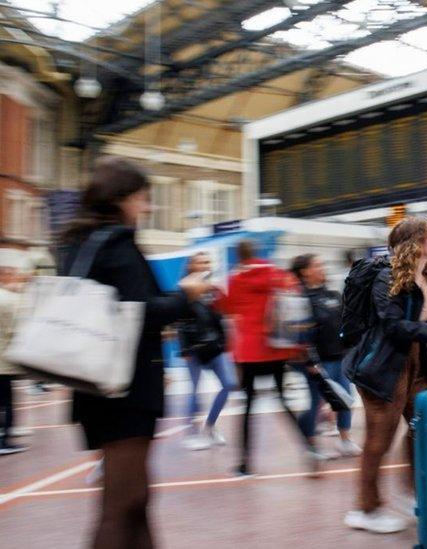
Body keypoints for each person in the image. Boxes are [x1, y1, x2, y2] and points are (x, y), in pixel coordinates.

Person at [59, 157, 210, 548]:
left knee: (137, 498)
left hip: (97, 386)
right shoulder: (117, 244)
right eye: (144, 197)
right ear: (122, 198)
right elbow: (140, 313)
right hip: (124, 390)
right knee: (120, 503)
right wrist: (186, 295)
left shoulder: (79, 243)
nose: (148, 207)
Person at [343, 217, 427, 534]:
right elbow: (392, 326)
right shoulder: (386, 278)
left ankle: (412, 492)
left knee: (422, 427)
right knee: (379, 439)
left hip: (417, 362)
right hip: (384, 365)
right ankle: (366, 508)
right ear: (417, 242)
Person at [222, 239, 321, 476]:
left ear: (238, 256)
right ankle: (308, 448)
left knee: (247, 406)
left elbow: (227, 308)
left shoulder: (235, 279)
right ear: (256, 252)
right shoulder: (274, 273)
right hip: (274, 349)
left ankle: (245, 463)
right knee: (284, 401)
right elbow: (294, 294)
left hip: (248, 352)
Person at [289, 253, 361, 457]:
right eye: (317, 265)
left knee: (346, 399)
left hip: (340, 357)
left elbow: (344, 324)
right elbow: (300, 334)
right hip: (318, 361)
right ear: (304, 272)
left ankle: (345, 440)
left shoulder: (332, 295)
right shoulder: (301, 299)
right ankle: (310, 445)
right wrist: (310, 361)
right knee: (316, 402)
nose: (322, 269)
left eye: (322, 265)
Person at [178, 252, 238, 451]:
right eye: (200, 262)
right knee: (194, 390)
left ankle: (210, 427)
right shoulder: (185, 288)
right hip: (194, 349)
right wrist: (185, 347)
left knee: (229, 384)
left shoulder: (213, 289)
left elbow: (220, 317)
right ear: (191, 266)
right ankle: (192, 434)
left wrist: (224, 342)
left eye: (207, 262)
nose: (205, 265)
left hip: (215, 347)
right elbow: (180, 321)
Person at [0, 252, 28, 455]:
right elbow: (16, 330)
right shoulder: (10, 300)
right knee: (7, 402)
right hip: (3, 361)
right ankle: (5, 439)